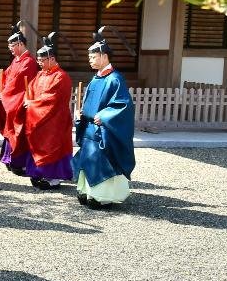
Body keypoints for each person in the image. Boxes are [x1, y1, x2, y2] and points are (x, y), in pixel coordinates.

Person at [73, 28, 136, 209]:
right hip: (90, 128)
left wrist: (105, 115)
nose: (90, 60)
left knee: (102, 161)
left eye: (93, 57)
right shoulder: (96, 79)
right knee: (87, 159)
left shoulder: (115, 79)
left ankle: (103, 196)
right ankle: (87, 191)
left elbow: (123, 106)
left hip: (103, 130)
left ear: (103, 56)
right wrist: (82, 113)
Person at [12, 33, 74, 190]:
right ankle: (38, 173)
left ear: (52, 59)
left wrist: (32, 104)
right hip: (38, 117)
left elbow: (52, 99)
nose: (39, 63)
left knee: (53, 147)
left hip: (55, 120)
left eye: (42, 60)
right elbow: (30, 90)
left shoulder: (62, 77)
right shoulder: (40, 74)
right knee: (37, 145)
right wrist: (28, 101)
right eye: (38, 60)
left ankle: (54, 178)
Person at [0, 23, 39, 176]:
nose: (10, 48)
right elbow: (6, 77)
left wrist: (4, 94)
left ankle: (20, 163)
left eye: (12, 45)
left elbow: (18, 85)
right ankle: (10, 159)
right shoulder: (16, 61)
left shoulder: (29, 62)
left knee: (19, 133)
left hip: (21, 103)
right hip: (12, 101)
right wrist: (0, 91)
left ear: (20, 44)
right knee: (11, 131)